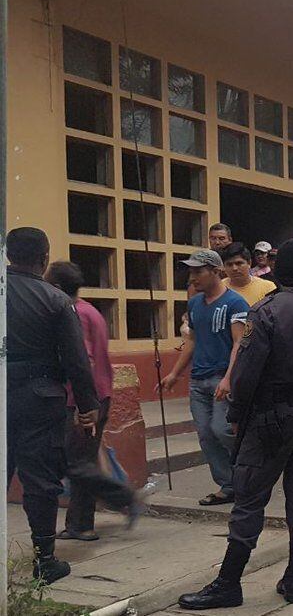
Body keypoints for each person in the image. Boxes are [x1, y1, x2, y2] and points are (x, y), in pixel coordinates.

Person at [177, 240, 293, 610]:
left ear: (278, 271)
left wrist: (236, 415)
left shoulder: (266, 311)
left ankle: (228, 583)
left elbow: (247, 371)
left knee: (249, 498)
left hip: (270, 416)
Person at [6, 228, 100, 583]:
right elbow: (77, 361)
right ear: (44, 258)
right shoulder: (57, 301)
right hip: (39, 398)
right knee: (40, 480)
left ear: (8, 254)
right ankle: (44, 559)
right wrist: (88, 406)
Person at [45, 262, 141, 542]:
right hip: (98, 394)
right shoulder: (90, 311)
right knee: (81, 463)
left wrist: (81, 405)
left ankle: (123, 497)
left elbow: (83, 360)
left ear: (57, 288)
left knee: (72, 463)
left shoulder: (73, 314)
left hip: (83, 400)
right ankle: (80, 525)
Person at [160, 249, 249, 506]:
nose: (193, 278)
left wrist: (229, 378)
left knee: (221, 429)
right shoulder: (195, 304)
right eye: (191, 272)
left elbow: (239, 343)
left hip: (222, 377)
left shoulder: (235, 303)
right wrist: (175, 373)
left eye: (198, 272)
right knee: (205, 435)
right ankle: (228, 485)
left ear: (215, 272)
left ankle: (250, 472)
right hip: (198, 379)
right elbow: (192, 340)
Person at [221, 242, 276, 307]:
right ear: (224, 266)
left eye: (239, 263)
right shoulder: (219, 288)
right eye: (229, 264)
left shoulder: (268, 288)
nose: (234, 268)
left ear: (249, 263)